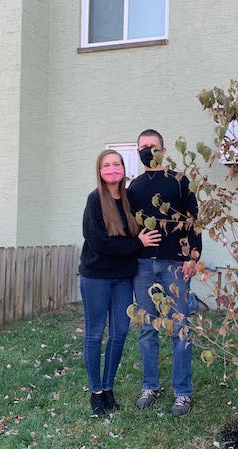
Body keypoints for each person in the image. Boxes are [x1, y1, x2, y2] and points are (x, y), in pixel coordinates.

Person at [79, 149, 161, 416]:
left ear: (124, 169)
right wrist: (136, 244)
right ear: (100, 170)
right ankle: (96, 392)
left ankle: (109, 388)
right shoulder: (95, 200)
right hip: (96, 277)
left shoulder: (129, 201)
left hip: (123, 278)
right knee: (94, 335)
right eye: (107, 165)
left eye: (116, 164)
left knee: (119, 334)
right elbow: (99, 242)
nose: (112, 168)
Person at [128, 129, 202, 417]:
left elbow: (194, 221)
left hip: (175, 264)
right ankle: (150, 386)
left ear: (164, 149)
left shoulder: (179, 181)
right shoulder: (134, 187)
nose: (148, 150)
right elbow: (130, 227)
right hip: (144, 266)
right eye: (143, 147)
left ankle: (182, 392)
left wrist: (193, 256)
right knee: (148, 329)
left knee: (180, 329)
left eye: (152, 146)